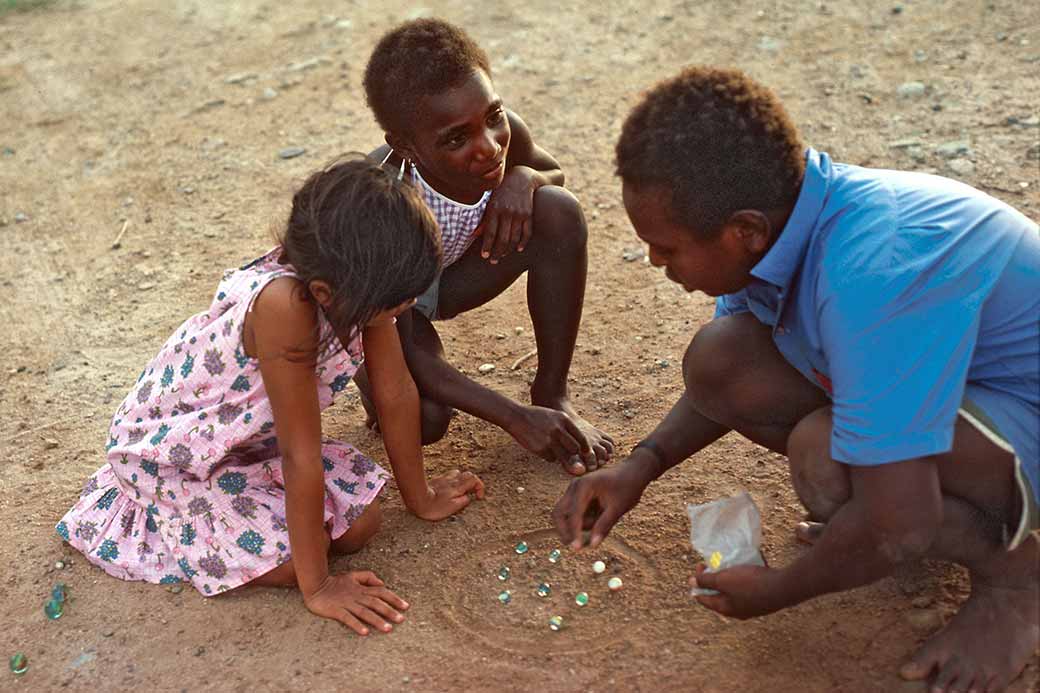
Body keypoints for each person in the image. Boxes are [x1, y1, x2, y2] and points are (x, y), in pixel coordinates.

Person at [553, 66, 1039, 692]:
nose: (656, 262)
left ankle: (1017, 579)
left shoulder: (867, 275)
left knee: (827, 458)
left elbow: (903, 520)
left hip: (1024, 405)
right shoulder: (788, 224)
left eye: (668, 248)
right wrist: (640, 466)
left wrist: (781, 589)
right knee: (725, 358)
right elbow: (725, 378)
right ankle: (899, 514)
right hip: (979, 397)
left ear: (745, 230)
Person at [57, 156, 485, 635]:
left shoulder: (354, 283)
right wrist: (318, 587)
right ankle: (164, 526)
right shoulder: (286, 308)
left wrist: (420, 497)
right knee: (305, 554)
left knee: (362, 524)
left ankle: (254, 532)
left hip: (246, 444)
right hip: (175, 459)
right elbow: (299, 454)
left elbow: (395, 388)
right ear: (326, 292)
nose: (403, 312)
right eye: (396, 305)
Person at [360, 18, 613, 476]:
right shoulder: (384, 197)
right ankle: (370, 381)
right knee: (428, 420)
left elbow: (551, 172)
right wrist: (514, 418)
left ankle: (553, 392)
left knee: (557, 211)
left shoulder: (501, 134)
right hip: (390, 312)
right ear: (405, 146)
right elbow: (409, 347)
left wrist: (524, 178)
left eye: (492, 117)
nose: (488, 147)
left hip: (452, 276)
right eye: (456, 138)